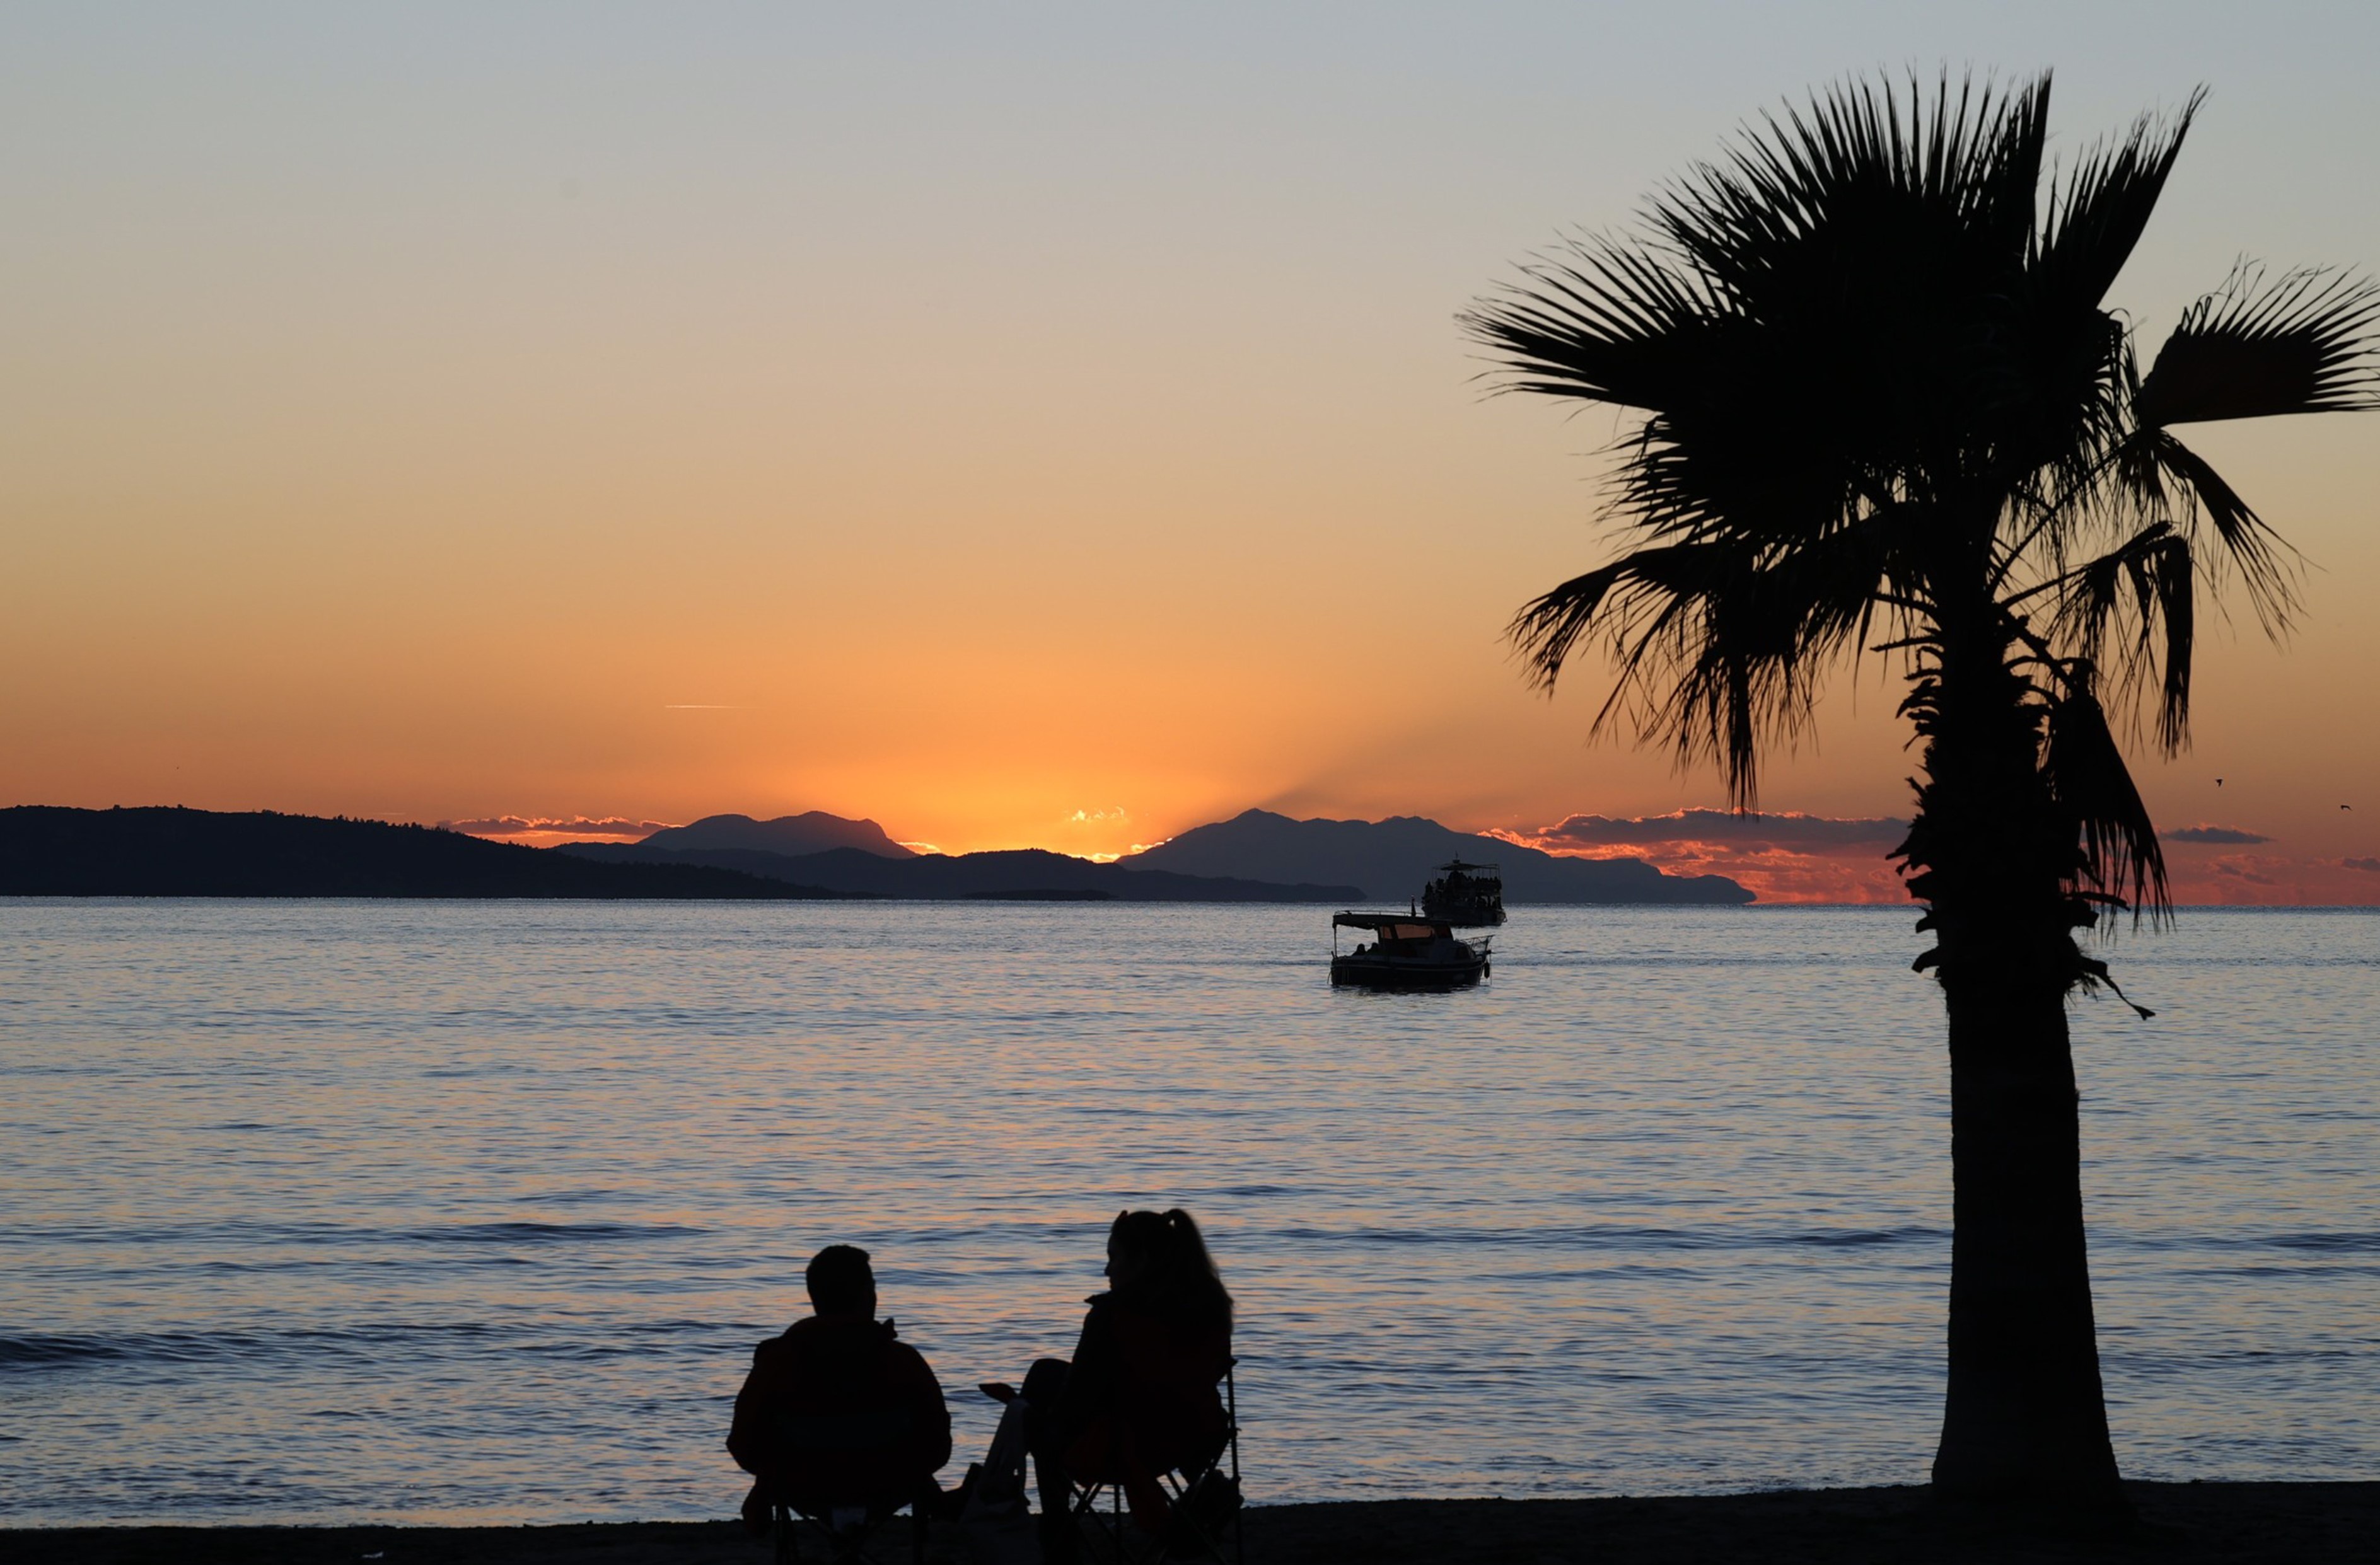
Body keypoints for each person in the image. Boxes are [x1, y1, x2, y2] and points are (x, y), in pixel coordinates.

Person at [1007, 1210, 1233, 1561]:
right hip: (1196, 1441)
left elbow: (1074, 1409)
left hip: (1129, 1449)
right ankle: (1059, 1529)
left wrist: (1027, 1416)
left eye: (1114, 1258)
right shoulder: (1211, 1308)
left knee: (1038, 1397)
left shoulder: (1112, 1317)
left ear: (1142, 1260)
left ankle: (1057, 1530)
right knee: (1049, 1375)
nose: (1107, 1270)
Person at [727, 1244, 952, 1533]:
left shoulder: (777, 1363)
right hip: (889, 1486)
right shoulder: (903, 1361)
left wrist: (771, 1475)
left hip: (802, 1487)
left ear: (814, 1297)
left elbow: (743, 1442)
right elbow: (937, 1443)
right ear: (867, 1295)